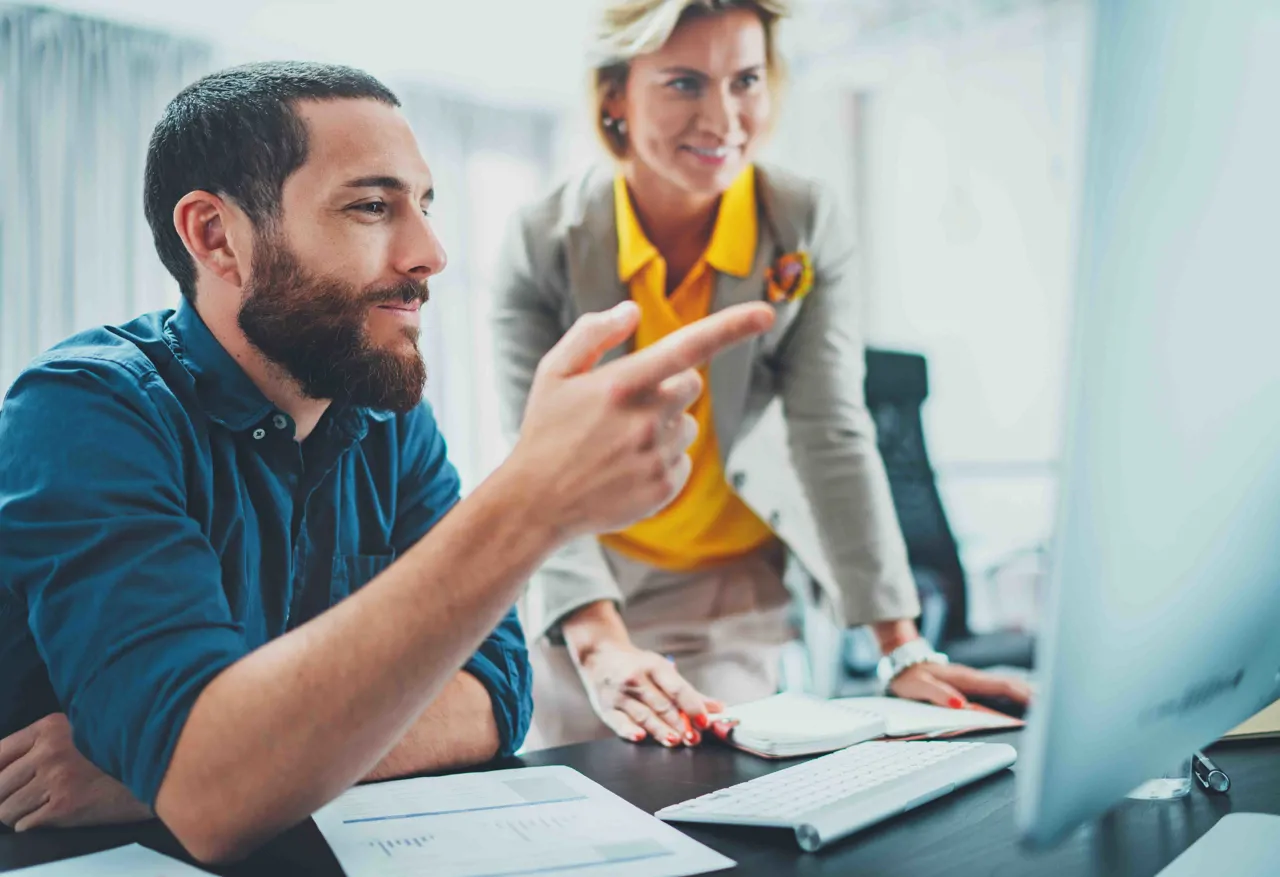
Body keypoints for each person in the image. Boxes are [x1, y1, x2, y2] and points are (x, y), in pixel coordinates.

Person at [0, 61, 773, 861]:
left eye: (426, 205)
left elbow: (500, 693)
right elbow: (212, 798)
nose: (431, 251)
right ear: (215, 235)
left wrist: (182, 771)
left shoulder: (385, 416)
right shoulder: (84, 409)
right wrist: (534, 498)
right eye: (372, 206)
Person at [493, 0, 1032, 751]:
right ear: (615, 93)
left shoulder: (800, 222)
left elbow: (831, 431)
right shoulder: (544, 242)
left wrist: (901, 646)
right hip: (587, 578)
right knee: (590, 811)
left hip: (726, 586)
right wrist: (596, 642)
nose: (724, 117)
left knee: (711, 792)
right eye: (684, 83)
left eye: (745, 80)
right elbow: (534, 459)